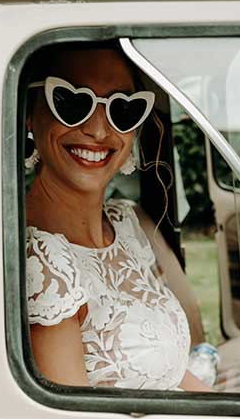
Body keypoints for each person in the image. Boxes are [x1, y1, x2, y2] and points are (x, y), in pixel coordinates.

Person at [23, 42, 213, 392]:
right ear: (29, 114)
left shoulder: (124, 225)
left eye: (123, 109)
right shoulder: (42, 263)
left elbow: (172, 375)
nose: (98, 130)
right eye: (71, 102)